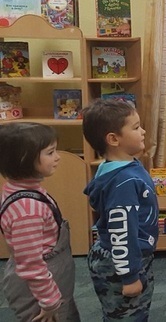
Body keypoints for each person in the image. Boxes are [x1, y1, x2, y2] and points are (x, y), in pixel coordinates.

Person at [83, 99, 159, 321]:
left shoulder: (120, 167)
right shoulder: (123, 182)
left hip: (129, 256)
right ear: (113, 139)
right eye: (136, 127)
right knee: (128, 315)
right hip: (122, 262)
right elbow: (122, 230)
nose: (143, 131)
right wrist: (129, 276)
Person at [0, 123, 80, 322]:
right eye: (50, 152)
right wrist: (50, 301)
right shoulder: (27, 210)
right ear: (24, 159)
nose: (58, 157)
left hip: (50, 280)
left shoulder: (22, 188)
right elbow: (31, 265)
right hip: (40, 292)